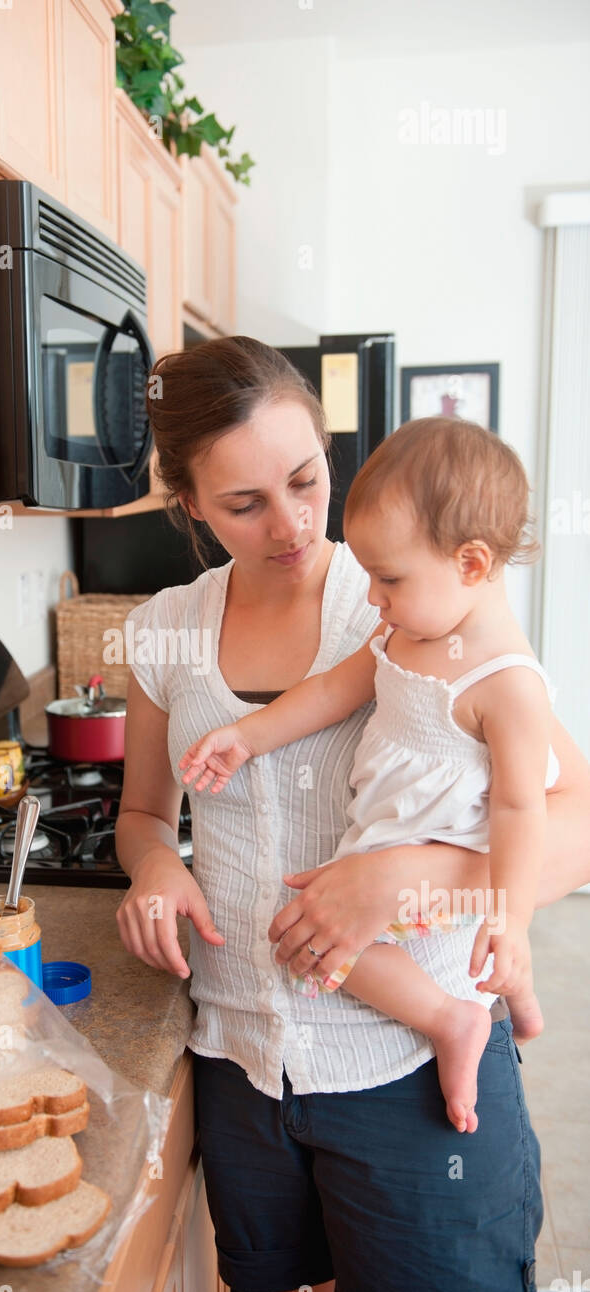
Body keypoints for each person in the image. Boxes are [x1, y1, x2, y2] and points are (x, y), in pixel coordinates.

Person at [114, 336, 590, 1292]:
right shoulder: (166, 625)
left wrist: (403, 881)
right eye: (244, 504)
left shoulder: (416, 600)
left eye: (304, 479)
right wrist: (156, 867)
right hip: (242, 1063)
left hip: (409, 1064)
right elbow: (141, 814)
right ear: (191, 507)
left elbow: (570, 816)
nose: (289, 523)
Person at [176, 414, 557, 1136]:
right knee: (329, 935)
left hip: (427, 853)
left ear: (471, 564)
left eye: (388, 579)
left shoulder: (508, 684)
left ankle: (453, 1022)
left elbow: (521, 809)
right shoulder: (408, 631)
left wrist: (512, 919)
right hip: (385, 834)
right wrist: (246, 737)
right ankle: (517, 999)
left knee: (318, 944)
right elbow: (330, 692)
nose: (372, 598)